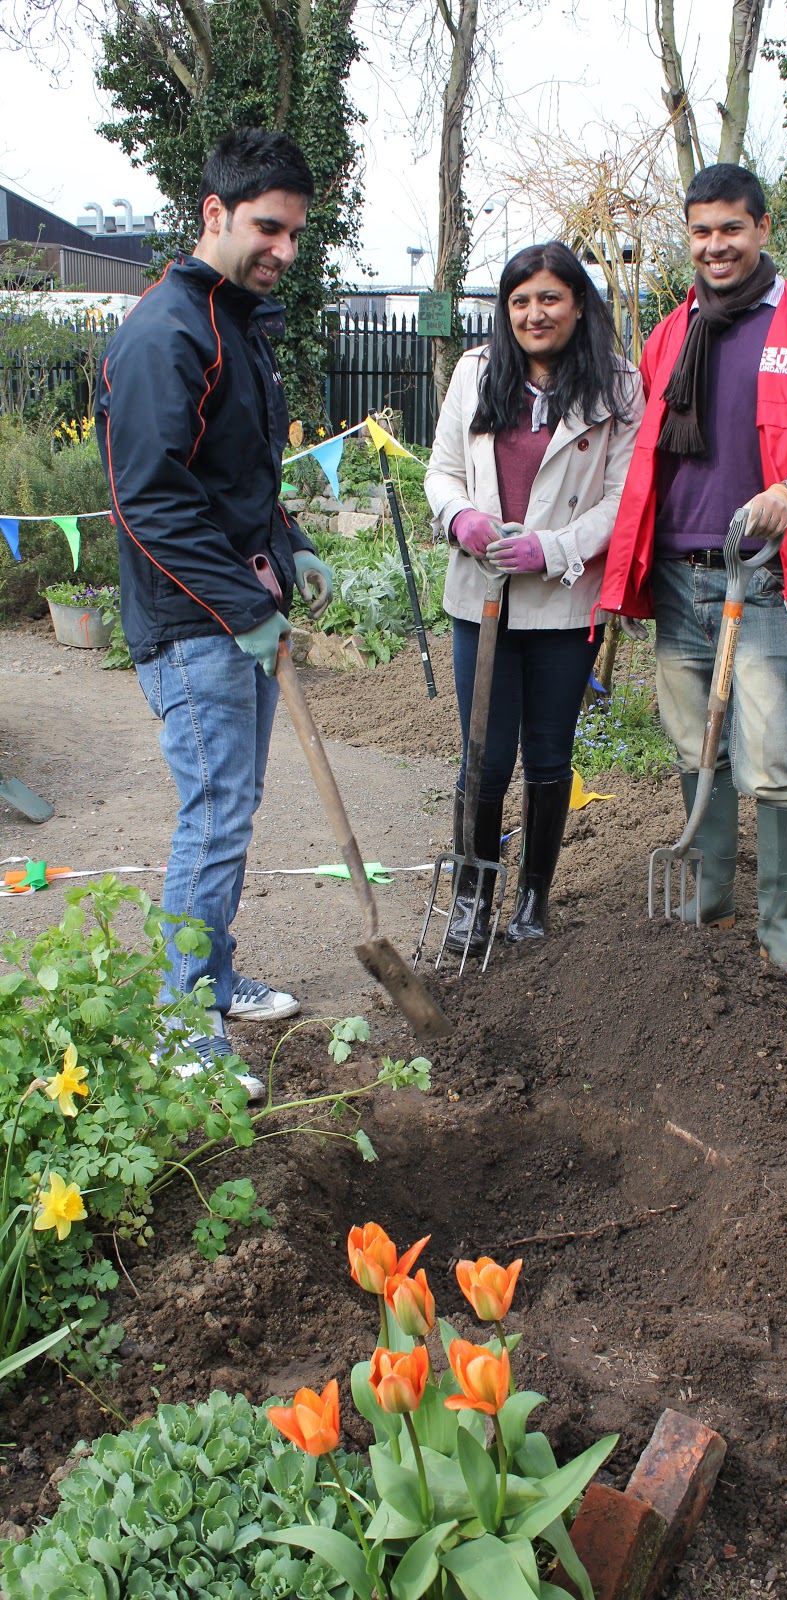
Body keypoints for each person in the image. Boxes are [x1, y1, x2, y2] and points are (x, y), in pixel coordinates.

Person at [95, 127, 334, 1095]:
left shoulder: (233, 322)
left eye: (295, 233)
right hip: (195, 622)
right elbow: (150, 500)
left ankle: (214, 975)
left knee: (232, 806)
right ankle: (180, 1016)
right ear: (214, 213)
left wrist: (290, 543)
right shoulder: (167, 332)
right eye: (268, 228)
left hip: (236, 610)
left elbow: (233, 479)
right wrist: (243, 603)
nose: (284, 249)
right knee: (216, 810)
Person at [599, 164, 787, 980]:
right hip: (675, 572)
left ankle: (781, 926)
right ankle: (712, 895)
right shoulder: (670, 333)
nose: (714, 245)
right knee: (697, 747)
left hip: (756, 573)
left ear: (761, 228)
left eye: (730, 228)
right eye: (701, 231)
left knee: (773, 760)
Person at [424, 241, 643, 952]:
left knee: (548, 753)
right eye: (519, 301)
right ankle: (470, 901)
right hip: (481, 594)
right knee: (483, 756)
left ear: (578, 304)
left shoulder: (617, 386)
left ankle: (533, 899)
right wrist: (461, 517)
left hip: (563, 601)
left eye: (549, 298)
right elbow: (442, 470)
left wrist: (552, 548)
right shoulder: (477, 372)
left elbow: (623, 497)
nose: (533, 313)